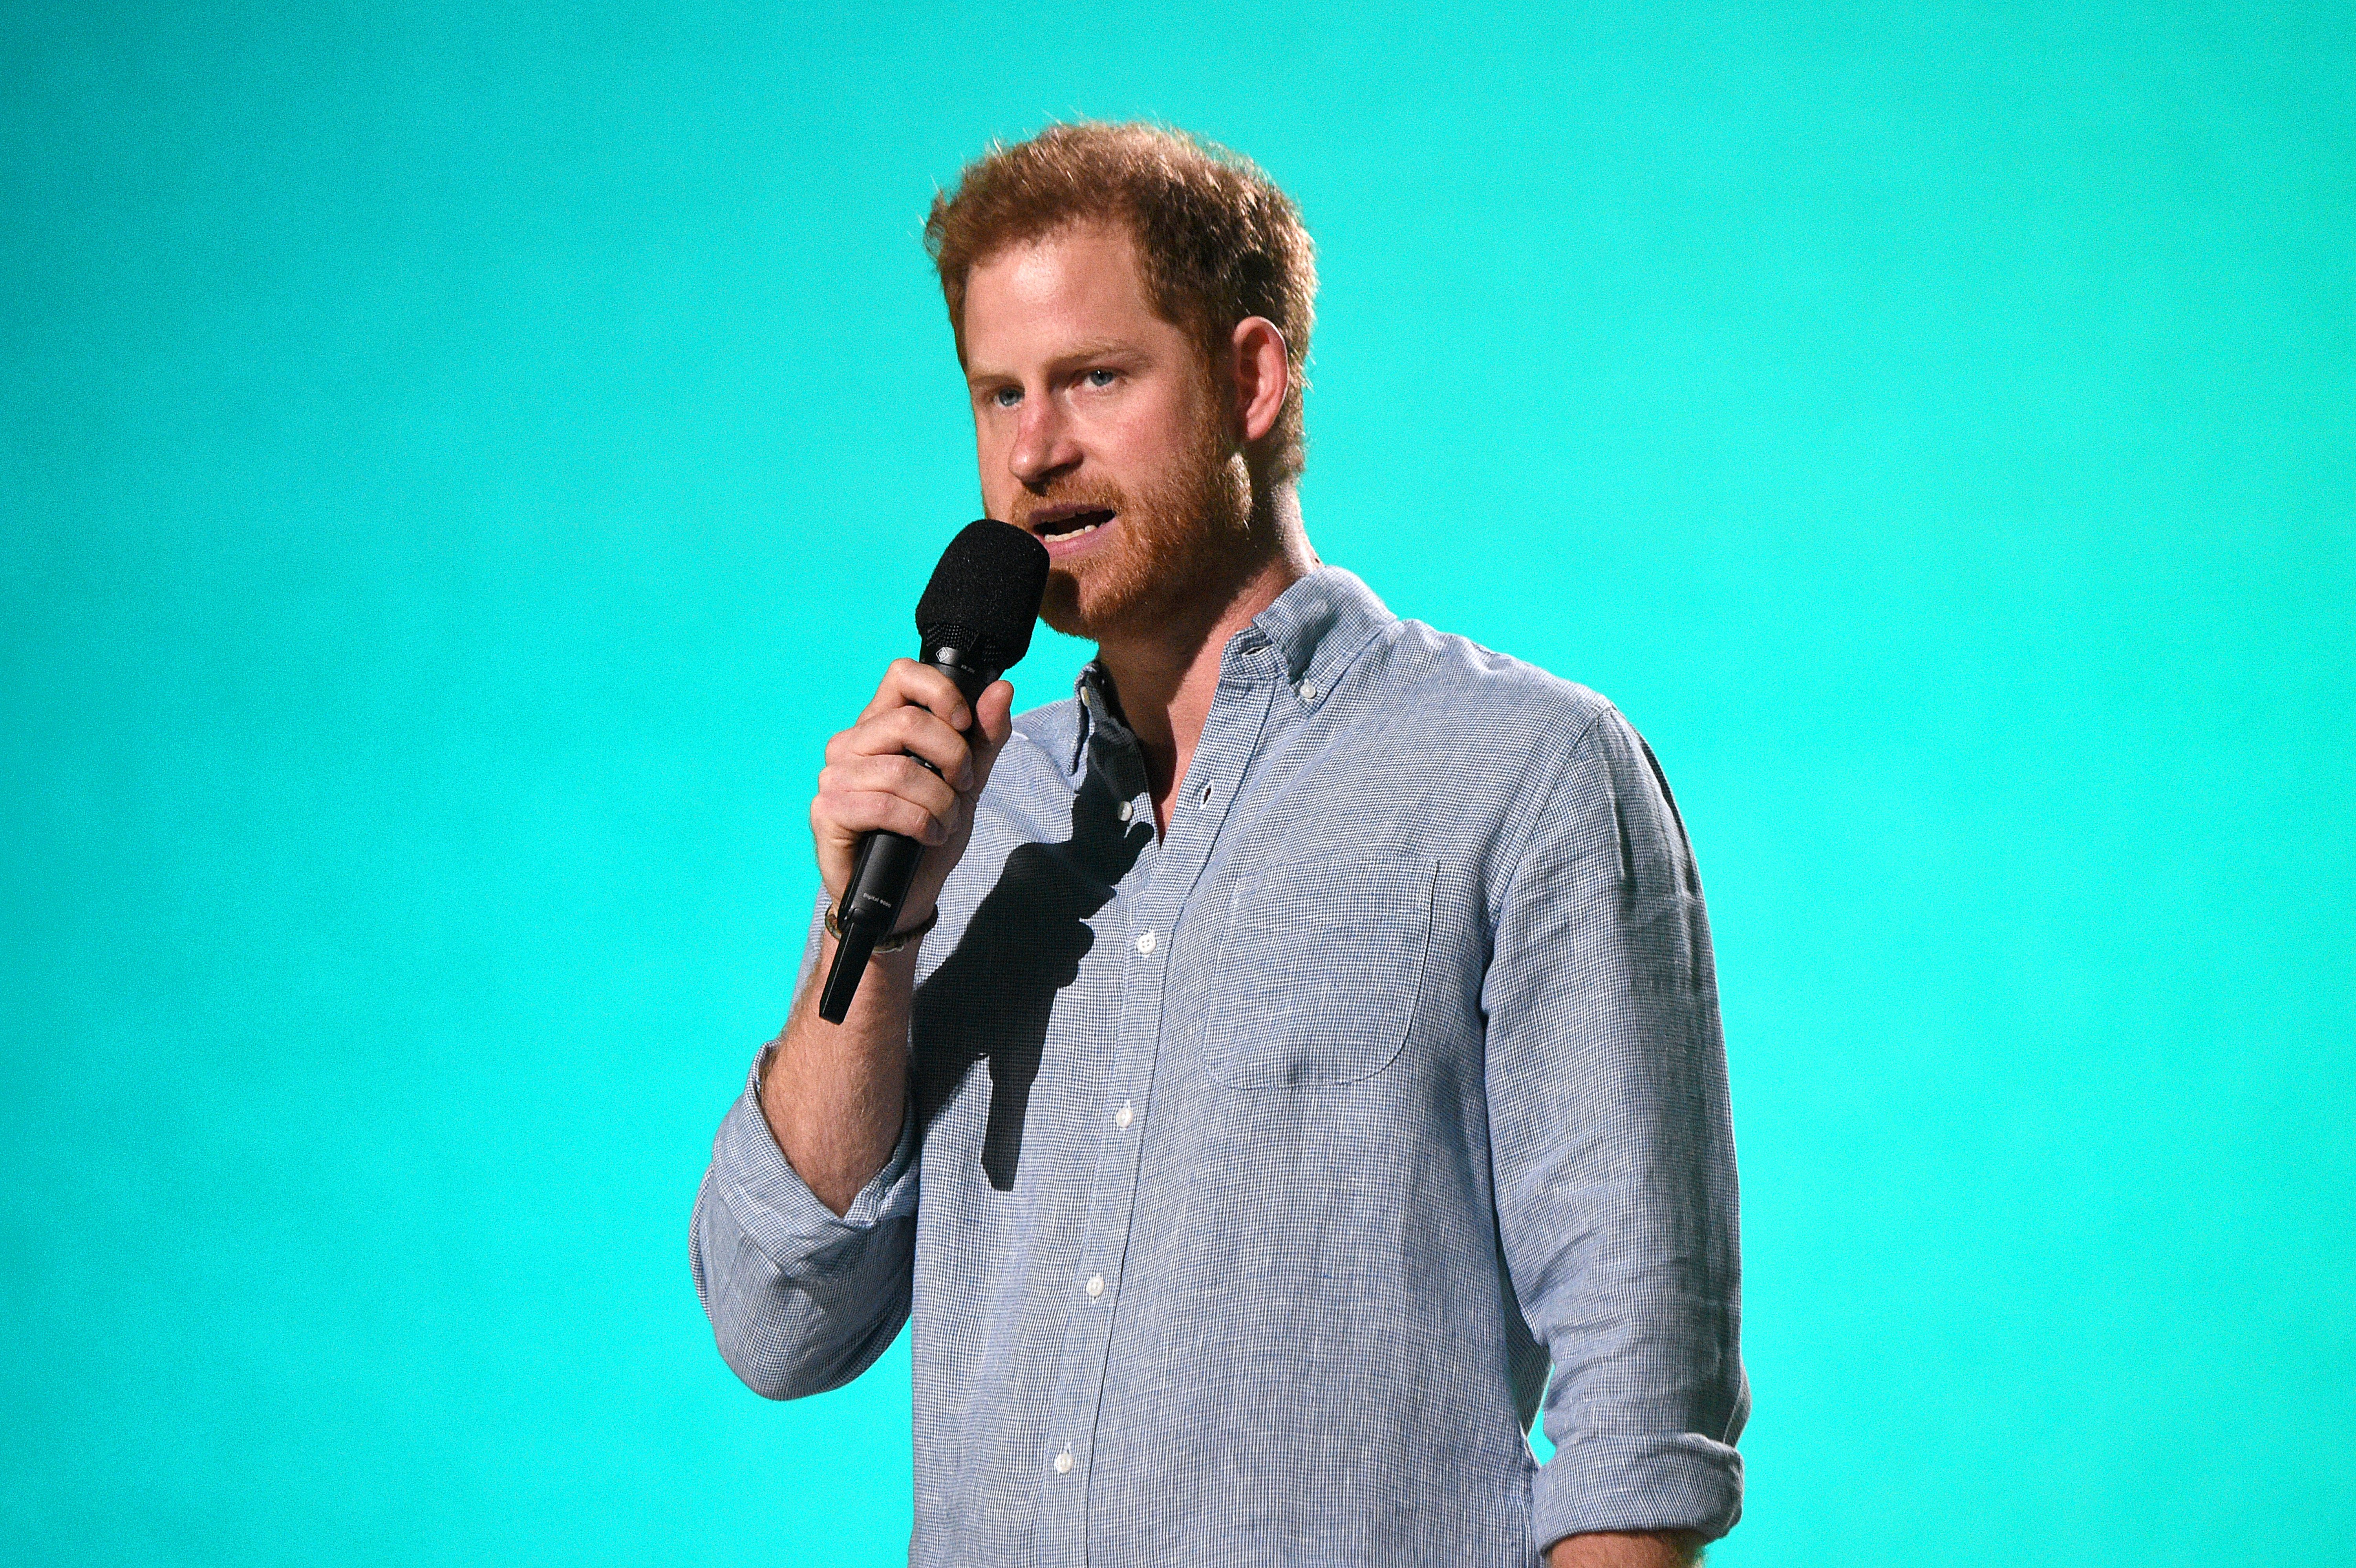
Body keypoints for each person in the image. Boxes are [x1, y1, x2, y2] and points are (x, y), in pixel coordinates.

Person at [691, 122, 1746, 1567]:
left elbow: (1642, 1411)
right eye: (998, 394)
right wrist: (877, 935)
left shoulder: (1524, 771)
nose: (1033, 451)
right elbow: (777, 1321)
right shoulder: (967, 813)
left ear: (1253, 377)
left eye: (1095, 379)